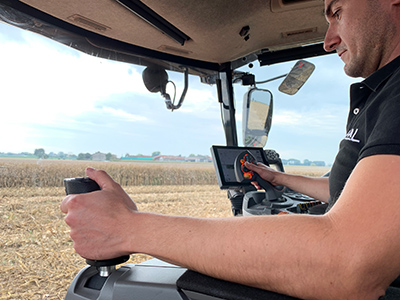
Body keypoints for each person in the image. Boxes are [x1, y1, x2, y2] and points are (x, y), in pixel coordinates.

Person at [60, 0, 400, 299]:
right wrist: (278, 179)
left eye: (337, 12)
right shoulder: (383, 94)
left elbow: (348, 265)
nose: (328, 41)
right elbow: (351, 192)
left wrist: (126, 227)